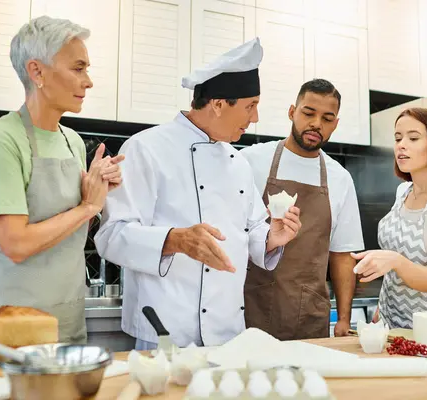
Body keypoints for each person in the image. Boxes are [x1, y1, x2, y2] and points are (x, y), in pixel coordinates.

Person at [94, 38, 302, 350]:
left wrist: (272, 236)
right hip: (164, 334)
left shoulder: (238, 162)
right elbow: (111, 236)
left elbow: (251, 230)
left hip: (227, 335)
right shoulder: (146, 149)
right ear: (218, 104)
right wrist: (175, 239)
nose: (255, 117)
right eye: (250, 106)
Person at [0, 16, 124, 354]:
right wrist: (87, 207)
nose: (89, 81)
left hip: (65, 323)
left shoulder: (72, 140)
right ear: (37, 72)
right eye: (78, 68)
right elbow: (16, 244)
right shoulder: (2, 140)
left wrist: (97, 190)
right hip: (11, 330)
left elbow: (70, 229)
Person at [240, 79, 364, 340]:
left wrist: (344, 319)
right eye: (308, 113)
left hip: (308, 315)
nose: (317, 124)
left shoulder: (339, 178)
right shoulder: (251, 161)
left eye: (327, 118)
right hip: (249, 307)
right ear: (291, 112)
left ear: (335, 124)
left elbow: (342, 255)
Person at [352, 107, 427, 329]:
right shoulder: (403, 192)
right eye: (398, 138)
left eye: (413, 138)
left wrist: (394, 261)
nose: (401, 144)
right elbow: (396, 262)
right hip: (391, 324)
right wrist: (382, 308)